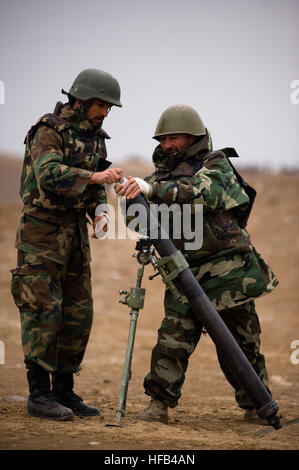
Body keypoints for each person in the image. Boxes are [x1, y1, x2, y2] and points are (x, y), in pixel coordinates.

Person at [114, 104, 279, 425]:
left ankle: (255, 405)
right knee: (172, 341)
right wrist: (132, 198)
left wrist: (150, 189)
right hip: (182, 271)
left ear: (193, 136)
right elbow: (136, 222)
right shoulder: (159, 176)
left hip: (228, 271)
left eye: (173, 138)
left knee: (242, 344)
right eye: (162, 140)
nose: (166, 145)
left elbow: (206, 193)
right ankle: (158, 405)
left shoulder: (216, 163)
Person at [11, 68, 124, 421]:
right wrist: (94, 176)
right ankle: (39, 395)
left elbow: (95, 187)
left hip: (75, 236)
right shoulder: (47, 130)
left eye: (109, 108)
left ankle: (63, 390)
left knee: (77, 315)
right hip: (41, 234)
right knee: (43, 311)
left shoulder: (96, 137)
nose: (105, 112)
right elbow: (48, 174)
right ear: (83, 99)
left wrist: (101, 212)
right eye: (102, 105)